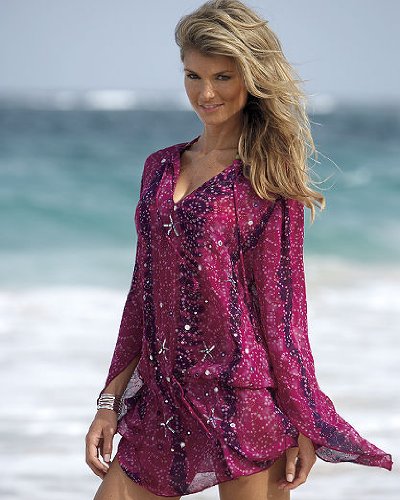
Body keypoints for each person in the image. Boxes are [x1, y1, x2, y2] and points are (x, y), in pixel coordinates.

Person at [85, 1, 393, 499]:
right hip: (162, 403)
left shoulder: (267, 180)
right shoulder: (159, 168)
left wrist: (304, 422)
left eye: (223, 77)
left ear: (251, 78)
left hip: (243, 404)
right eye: (193, 75)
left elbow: (283, 316)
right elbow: (142, 294)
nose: (205, 93)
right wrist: (109, 402)